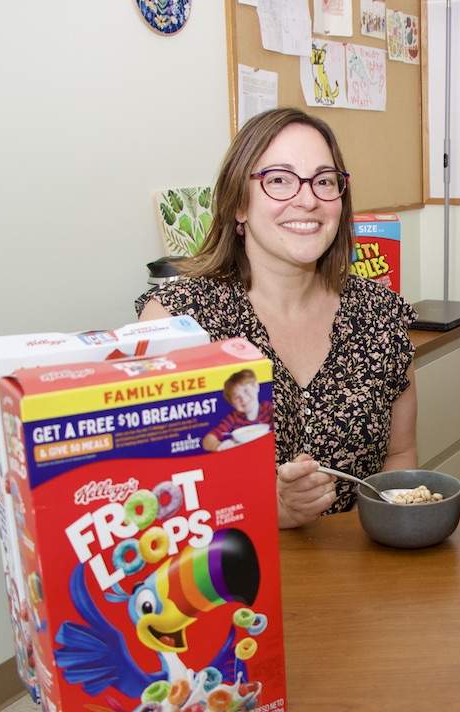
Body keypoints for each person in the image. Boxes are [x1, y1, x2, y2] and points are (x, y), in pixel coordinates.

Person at [137, 107, 418, 528]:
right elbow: (150, 491)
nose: (307, 199)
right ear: (238, 205)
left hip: (359, 576)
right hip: (226, 578)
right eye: (279, 180)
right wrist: (274, 509)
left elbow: (399, 458)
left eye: (324, 181)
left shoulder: (381, 316)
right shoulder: (179, 323)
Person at [203, 369, 274, 451]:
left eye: (246, 391)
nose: (243, 399)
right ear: (232, 403)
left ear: (256, 387)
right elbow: (207, 440)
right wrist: (218, 445)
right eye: (236, 397)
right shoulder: (233, 418)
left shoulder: (268, 408)